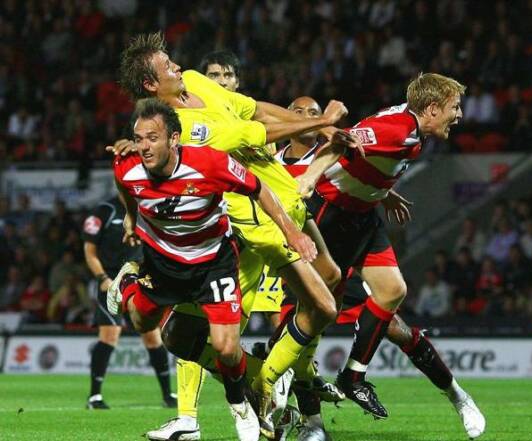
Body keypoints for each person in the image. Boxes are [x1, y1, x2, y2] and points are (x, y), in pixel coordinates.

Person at [130, 47, 346, 440]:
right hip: (247, 219)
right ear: (150, 84)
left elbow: (255, 111)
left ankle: (265, 388)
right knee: (319, 304)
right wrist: (319, 122)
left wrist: (320, 127)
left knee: (322, 295)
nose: (178, 65)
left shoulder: (195, 81)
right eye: (167, 66)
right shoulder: (184, 127)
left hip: (283, 202)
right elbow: (254, 134)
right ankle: (261, 389)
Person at [108, 98, 317, 441]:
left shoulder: (209, 164)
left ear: (174, 139)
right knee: (142, 322)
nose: (144, 147)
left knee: (225, 347)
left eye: (153, 138)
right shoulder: (126, 166)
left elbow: (260, 188)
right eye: (139, 138)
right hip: (164, 264)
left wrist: (291, 232)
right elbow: (124, 186)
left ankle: (239, 405)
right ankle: (130, 278)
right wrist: (131, 216)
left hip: (213, 263)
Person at [278, 95, 485, 439]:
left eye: (313, 114)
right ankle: (308, 423)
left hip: (360, 220)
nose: (460, 115)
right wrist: (311, 178)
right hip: (325, 224)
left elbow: (351, 150)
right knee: (301, 325)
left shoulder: (410, 133)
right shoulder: (277, 162)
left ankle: (455, 396)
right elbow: (345, 145)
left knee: (394, 298)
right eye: (454, 108)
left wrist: (381, 190)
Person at [82, 195, 176, 409]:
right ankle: (94, 396)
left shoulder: (147, 208)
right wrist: (103, 279)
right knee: (109, 335)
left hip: (138, 278)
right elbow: (90, 251)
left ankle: (168, 395)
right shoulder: (105, 211)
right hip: (111, 281)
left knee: (152, 337)